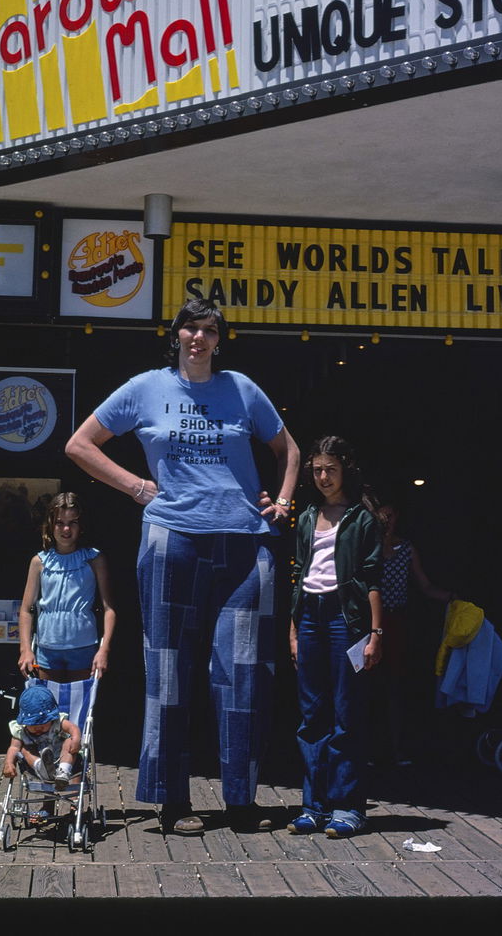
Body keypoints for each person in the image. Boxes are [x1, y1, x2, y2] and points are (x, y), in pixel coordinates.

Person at [65, 298, 300, 837]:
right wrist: (137, 486)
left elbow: (288, 449)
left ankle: (240, 801)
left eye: (209, 330)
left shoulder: (242, 389)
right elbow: (79, 444)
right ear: (175, 336)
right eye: (189, 328)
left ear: (221, 339)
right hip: (172, 541)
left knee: (243, 674)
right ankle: (173, 802)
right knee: (170, 669)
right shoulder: (146, 387)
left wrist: (283, 503)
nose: (199, 337)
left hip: (245, 543)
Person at [287, 436, 383, 838]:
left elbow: (372, 577)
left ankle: (348, 807)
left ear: (346, 469)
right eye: (317, 469)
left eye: (331, 469)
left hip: (347, 619)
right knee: (312, 716)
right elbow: (297, 574)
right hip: (309, 615)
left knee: (346, 714)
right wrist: (292, 628)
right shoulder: (308, 515)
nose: (323, 477)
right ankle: (314, 807)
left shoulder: (362, 518)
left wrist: (376, 632)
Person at [372, 501, 453, 765]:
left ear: (397, 517)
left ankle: (396, 750)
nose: (387, 521)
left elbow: (425, 585)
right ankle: (367, 750)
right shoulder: (367, 546)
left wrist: (454, 598)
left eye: (391, 515)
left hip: (396, 622)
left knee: (394, 687)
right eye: (382, 516)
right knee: (368, 686)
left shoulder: (406, 549)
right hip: (370, 622)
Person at [17, 491, 116, 683]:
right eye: (60, 523)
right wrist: (26, 649)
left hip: (83, 647)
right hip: (47, 648)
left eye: (73, 523)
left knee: (79, 707)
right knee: (49, 708)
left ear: (81, 526)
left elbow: (109, 609)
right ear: (50, 525)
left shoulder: (94, 559)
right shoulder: (39, 561)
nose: (66, 529)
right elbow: (26, 610)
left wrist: (104, 650)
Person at [2, 685, 82, 813]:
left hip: (64, 761)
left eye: (43, 723)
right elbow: (13, 747)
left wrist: (76, 739)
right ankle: (42, 767)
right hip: (37, 767)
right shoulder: (21, 730)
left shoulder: (57, 722)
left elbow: (73, 728)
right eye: (33, 724)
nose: (38, 728)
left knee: (68, 740)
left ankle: (63, 771)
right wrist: (9, 763)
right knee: (23, 749)